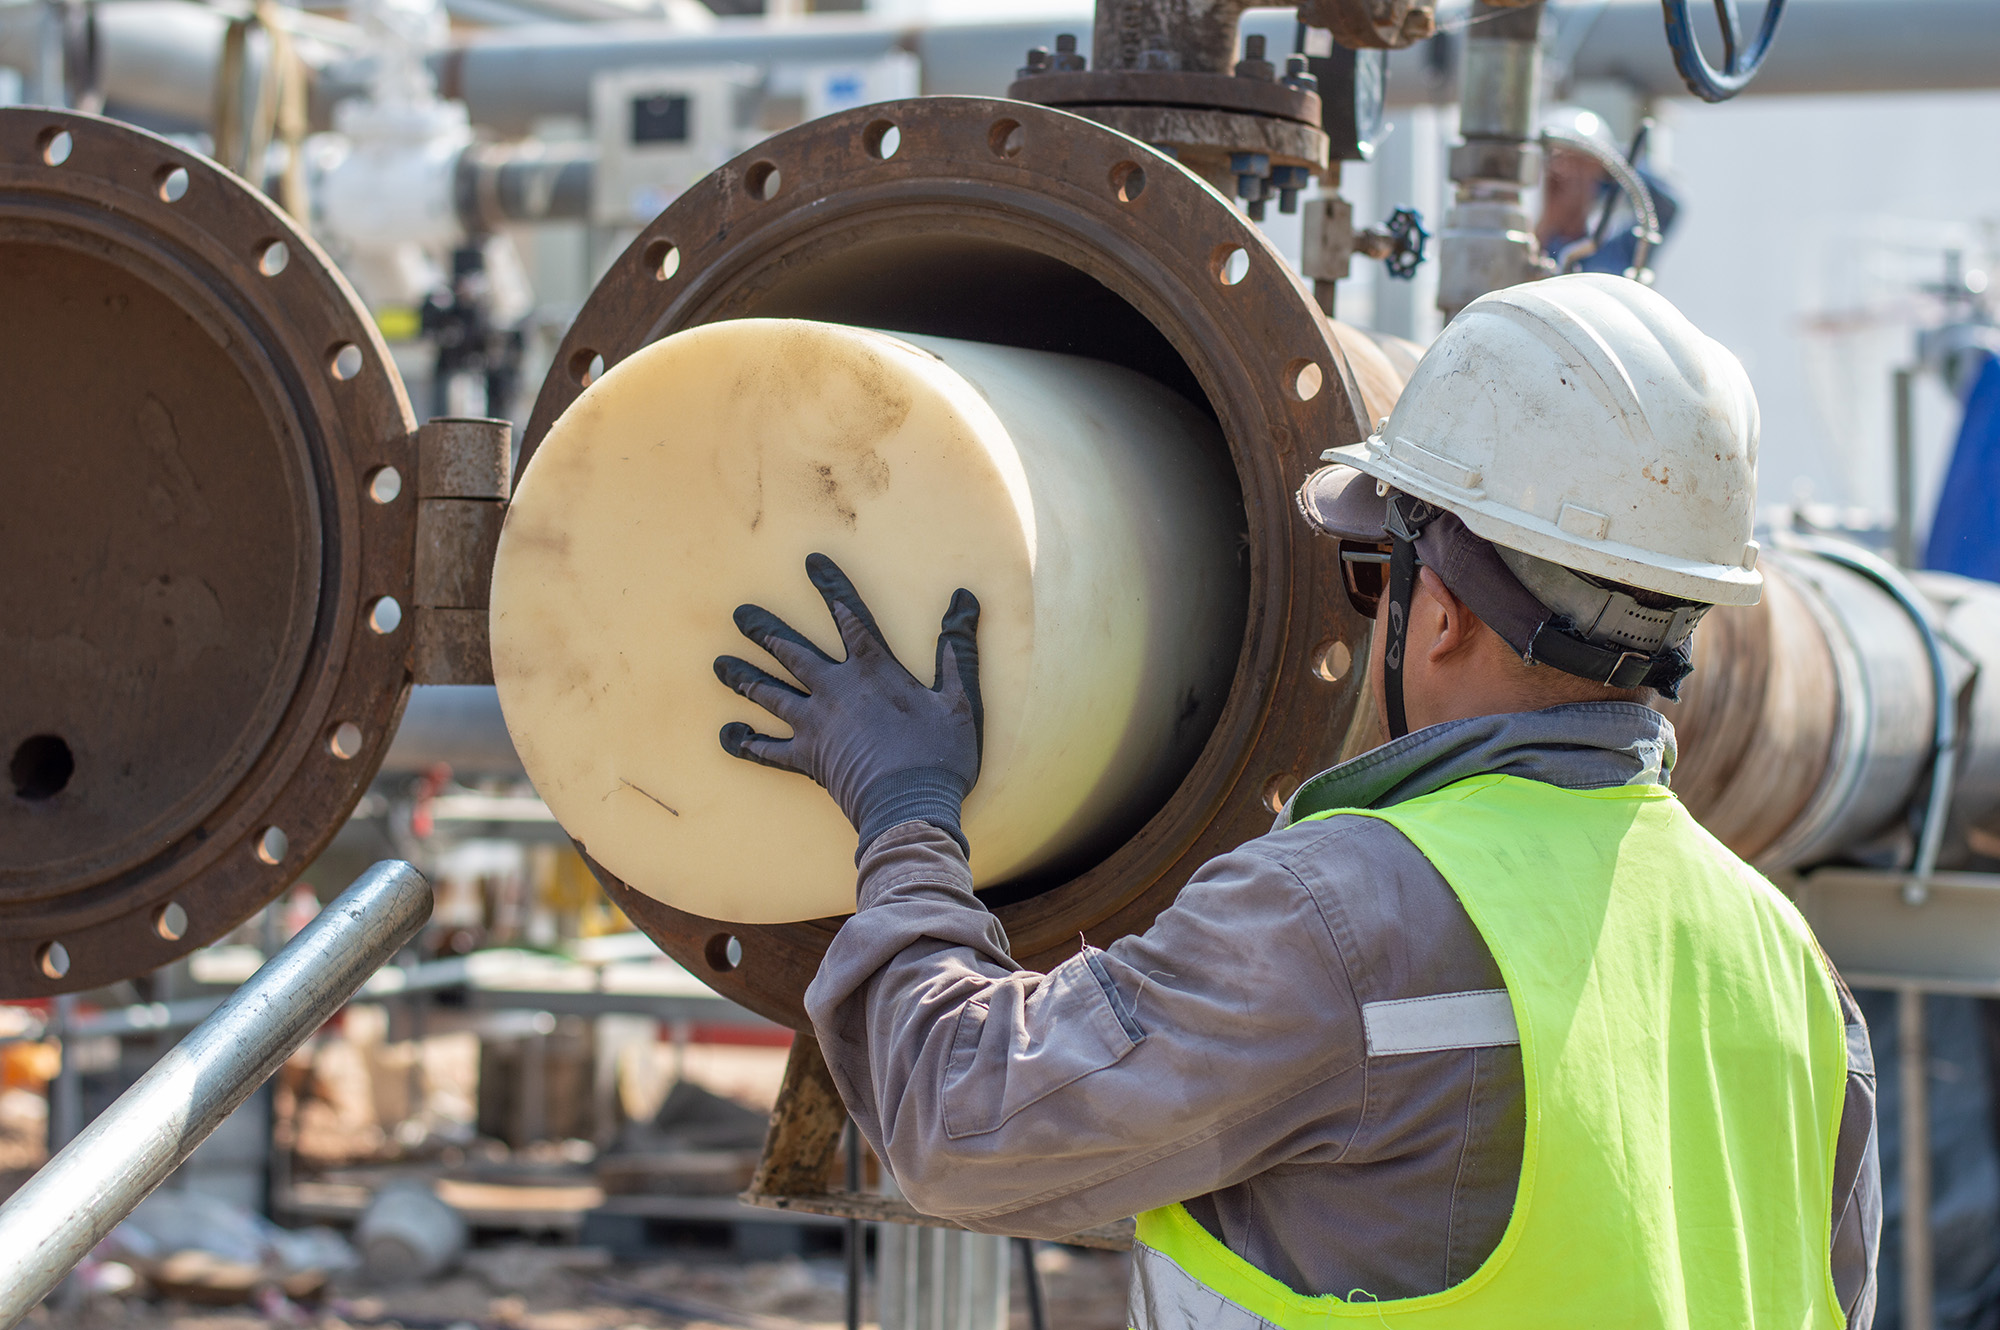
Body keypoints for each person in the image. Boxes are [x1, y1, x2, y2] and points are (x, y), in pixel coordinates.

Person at [713, 274, 1880, 1328]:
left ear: (1441, 611)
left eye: (1370, 570)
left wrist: (905, 807)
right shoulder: (1789, 967)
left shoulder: (1341, 920)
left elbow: (959, 1121)